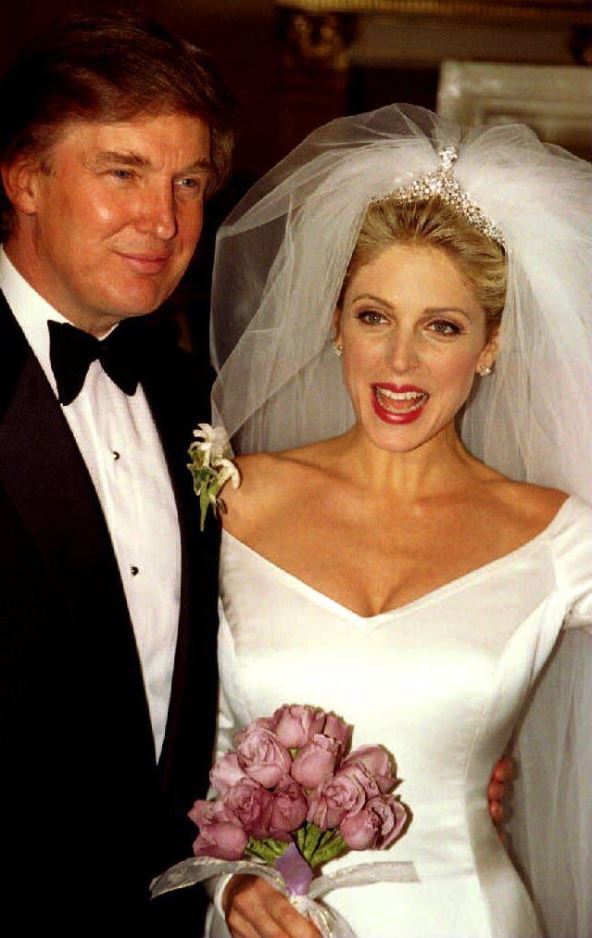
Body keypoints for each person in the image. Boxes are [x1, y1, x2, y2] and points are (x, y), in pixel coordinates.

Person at [207, 106, 592, 936]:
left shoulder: (559, 539)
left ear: (490, 345)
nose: (400, 361)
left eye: (442, 327)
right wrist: (228, 887)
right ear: (334, 323)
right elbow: (173, 742)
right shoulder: (233, 500)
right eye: (373, 316)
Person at [0, 11, 234, 933]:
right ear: (25, 179)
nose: (164, 221)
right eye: (123, 173)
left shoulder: (198, 399)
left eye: (188, 182)